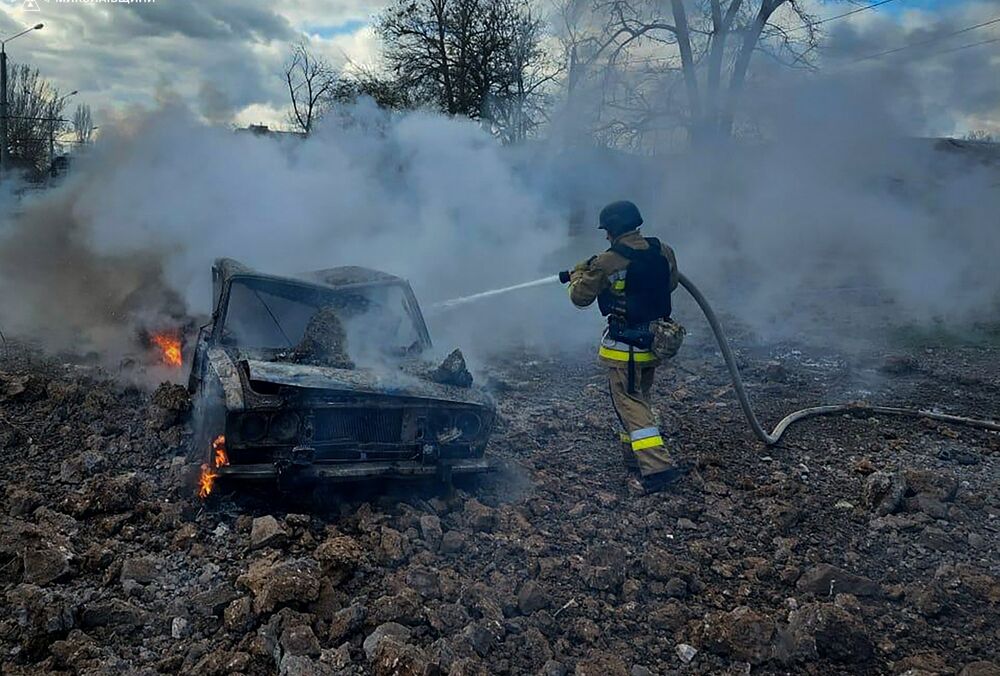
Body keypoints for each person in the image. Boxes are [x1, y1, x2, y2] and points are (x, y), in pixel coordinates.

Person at [563, 200, 685, 493]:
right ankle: (633, 458)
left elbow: (580, 298)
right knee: (638, 398)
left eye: (607, 231)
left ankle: (657, 468)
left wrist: (579, 275)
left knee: (630, 402)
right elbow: (671, 285)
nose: (605, 236)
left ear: (615, 229)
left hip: (624, 348)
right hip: (654, 342)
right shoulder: (662, 250)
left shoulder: (608, 260)